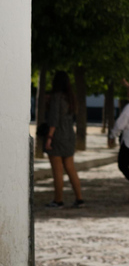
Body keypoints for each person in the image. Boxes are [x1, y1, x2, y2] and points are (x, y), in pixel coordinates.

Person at [44, 71, 84, 208]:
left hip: (58, 136)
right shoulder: (71, 98)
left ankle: (58, 200)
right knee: (70, 168)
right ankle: (79, 198)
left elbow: (54, 120)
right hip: (69, 135)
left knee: (57, 171)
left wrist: (49, 138)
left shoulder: (56, 98)